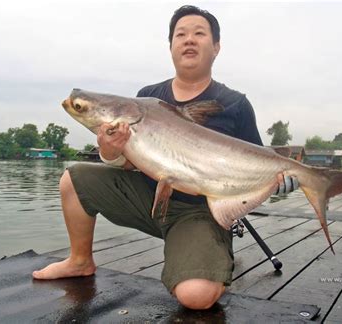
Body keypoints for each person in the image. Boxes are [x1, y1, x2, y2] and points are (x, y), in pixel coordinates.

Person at [32, 5, 296, 310]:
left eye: (199, 33)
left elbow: (257, 162)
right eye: (180, 35)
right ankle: (79, 261)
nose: (189, 40)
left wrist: (276, 183)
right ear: (170, 46)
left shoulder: (235, 104)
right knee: (73, 179)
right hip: (148, 197)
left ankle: (209, 262)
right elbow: (131, 163)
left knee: (195, 298)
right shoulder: (147, 97)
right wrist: (109, 151)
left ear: (216, 47)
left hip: (202, 212)